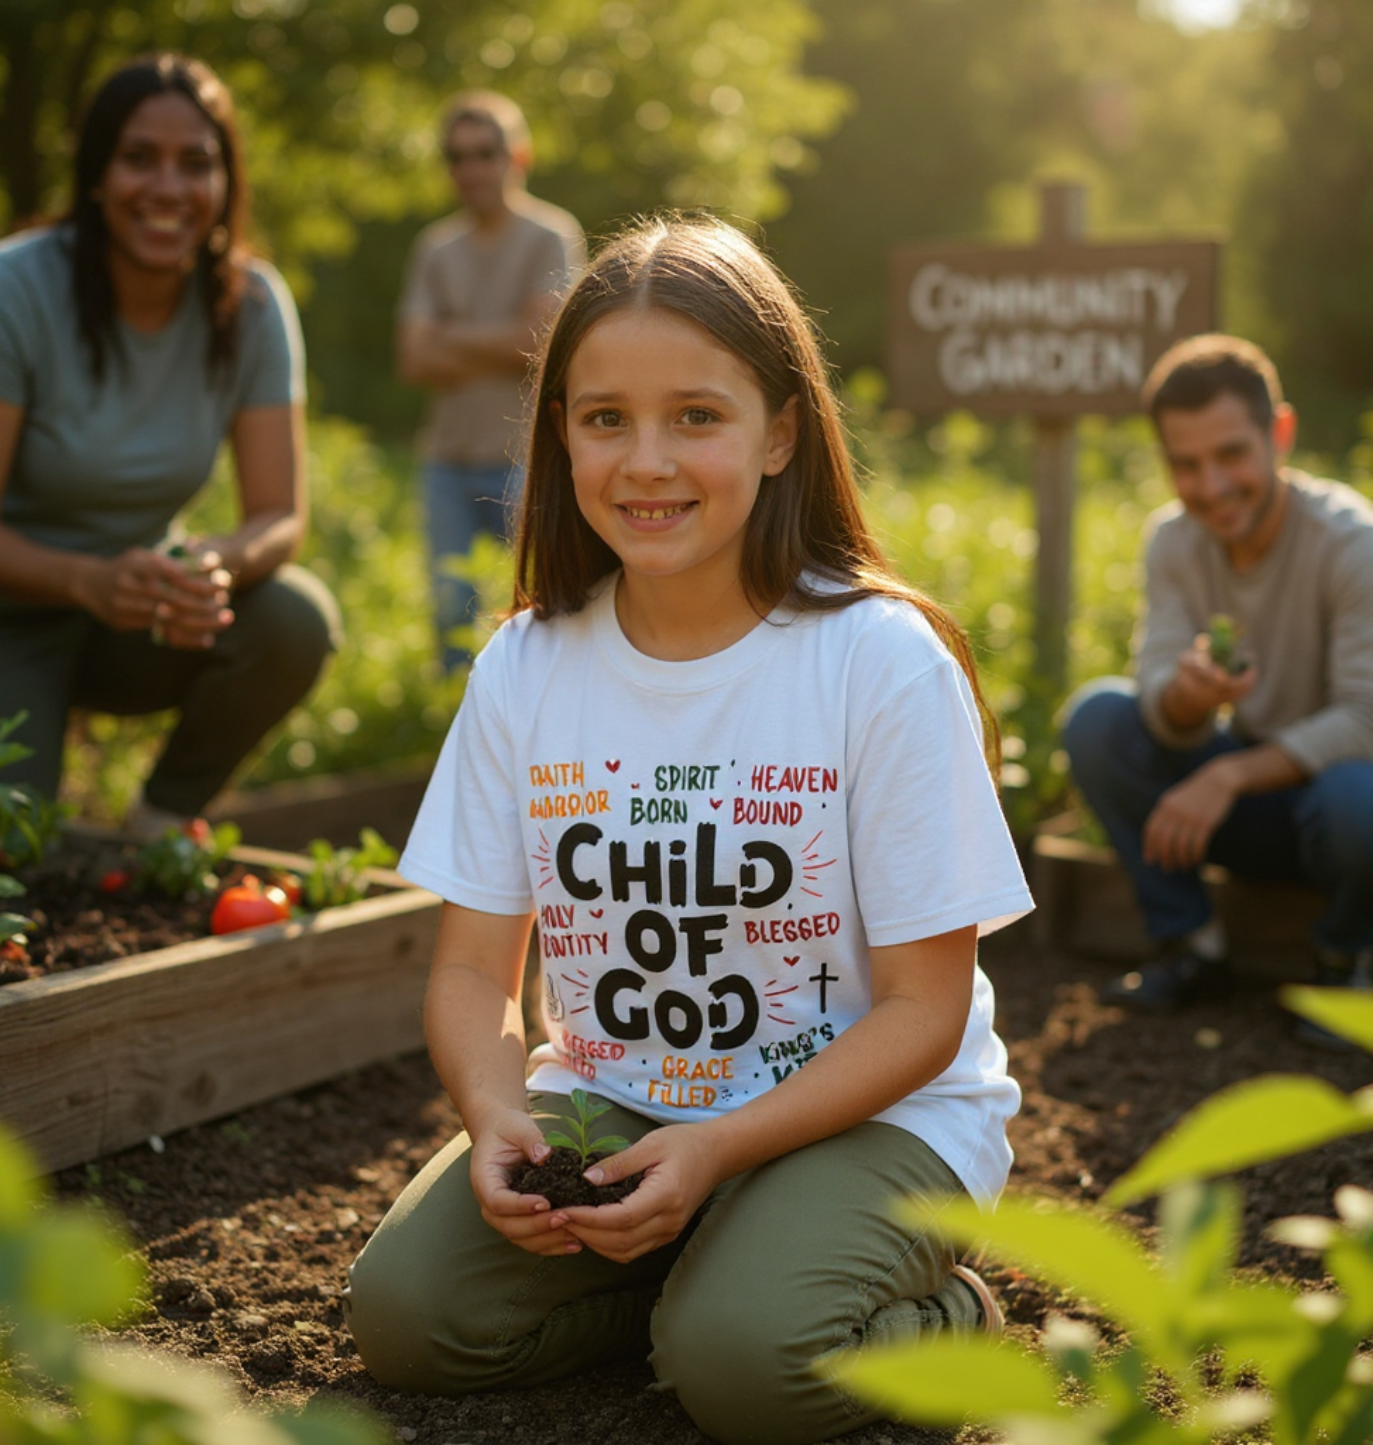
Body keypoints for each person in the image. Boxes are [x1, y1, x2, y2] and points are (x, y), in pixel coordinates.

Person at [345, 216, 1032, 1445]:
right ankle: (698, 1276)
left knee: (743, 1373)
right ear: (559, 432)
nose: (644, 460)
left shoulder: (874, 662)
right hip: (615, 1098)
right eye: (603, 416)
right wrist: (496, 1111)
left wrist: (715, 1149)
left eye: (695, 417)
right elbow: (469, 970)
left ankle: (948, 1311)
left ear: (779, 431)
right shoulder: (525, 664)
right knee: (409, 1312)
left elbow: (925, 1011)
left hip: (875, 1117)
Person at [0, 53, 339, 838]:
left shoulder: (251, 305)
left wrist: (211, 567)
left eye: (196, 163)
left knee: (293, 618)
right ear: (95, 173)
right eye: (138, 158)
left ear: (224, 184)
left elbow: (279, 515)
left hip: (134, 611)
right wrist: (86, 580)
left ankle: (159, 820)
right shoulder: (8, 287)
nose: (168, 189)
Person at [1062, 334, 1373, 1028]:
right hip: (1250, 809)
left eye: (1230, 454)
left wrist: (1225, 778)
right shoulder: (1172, 540)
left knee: (1359, 793)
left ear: (1279, 433)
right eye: (1185, 464)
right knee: (1097, 719)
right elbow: (1156, 703)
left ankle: (1343, 960)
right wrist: (1187, 697)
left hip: (1338, 812)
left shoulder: (1351, 543)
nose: (1210, 486)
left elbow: (1365, 718)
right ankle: (1189, 945)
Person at [396, 90, 584, 668]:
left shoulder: (551, 234)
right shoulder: (435, 247)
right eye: (457, 156)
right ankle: (454, 735)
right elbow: (411, 359)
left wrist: (449, 336)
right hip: (447, 460)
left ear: (518, 156)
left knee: (546, 605)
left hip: (526, 456)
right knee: (451, 615)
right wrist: (502, 338)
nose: (471, 168)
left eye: (485, 151)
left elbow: (543, 345)